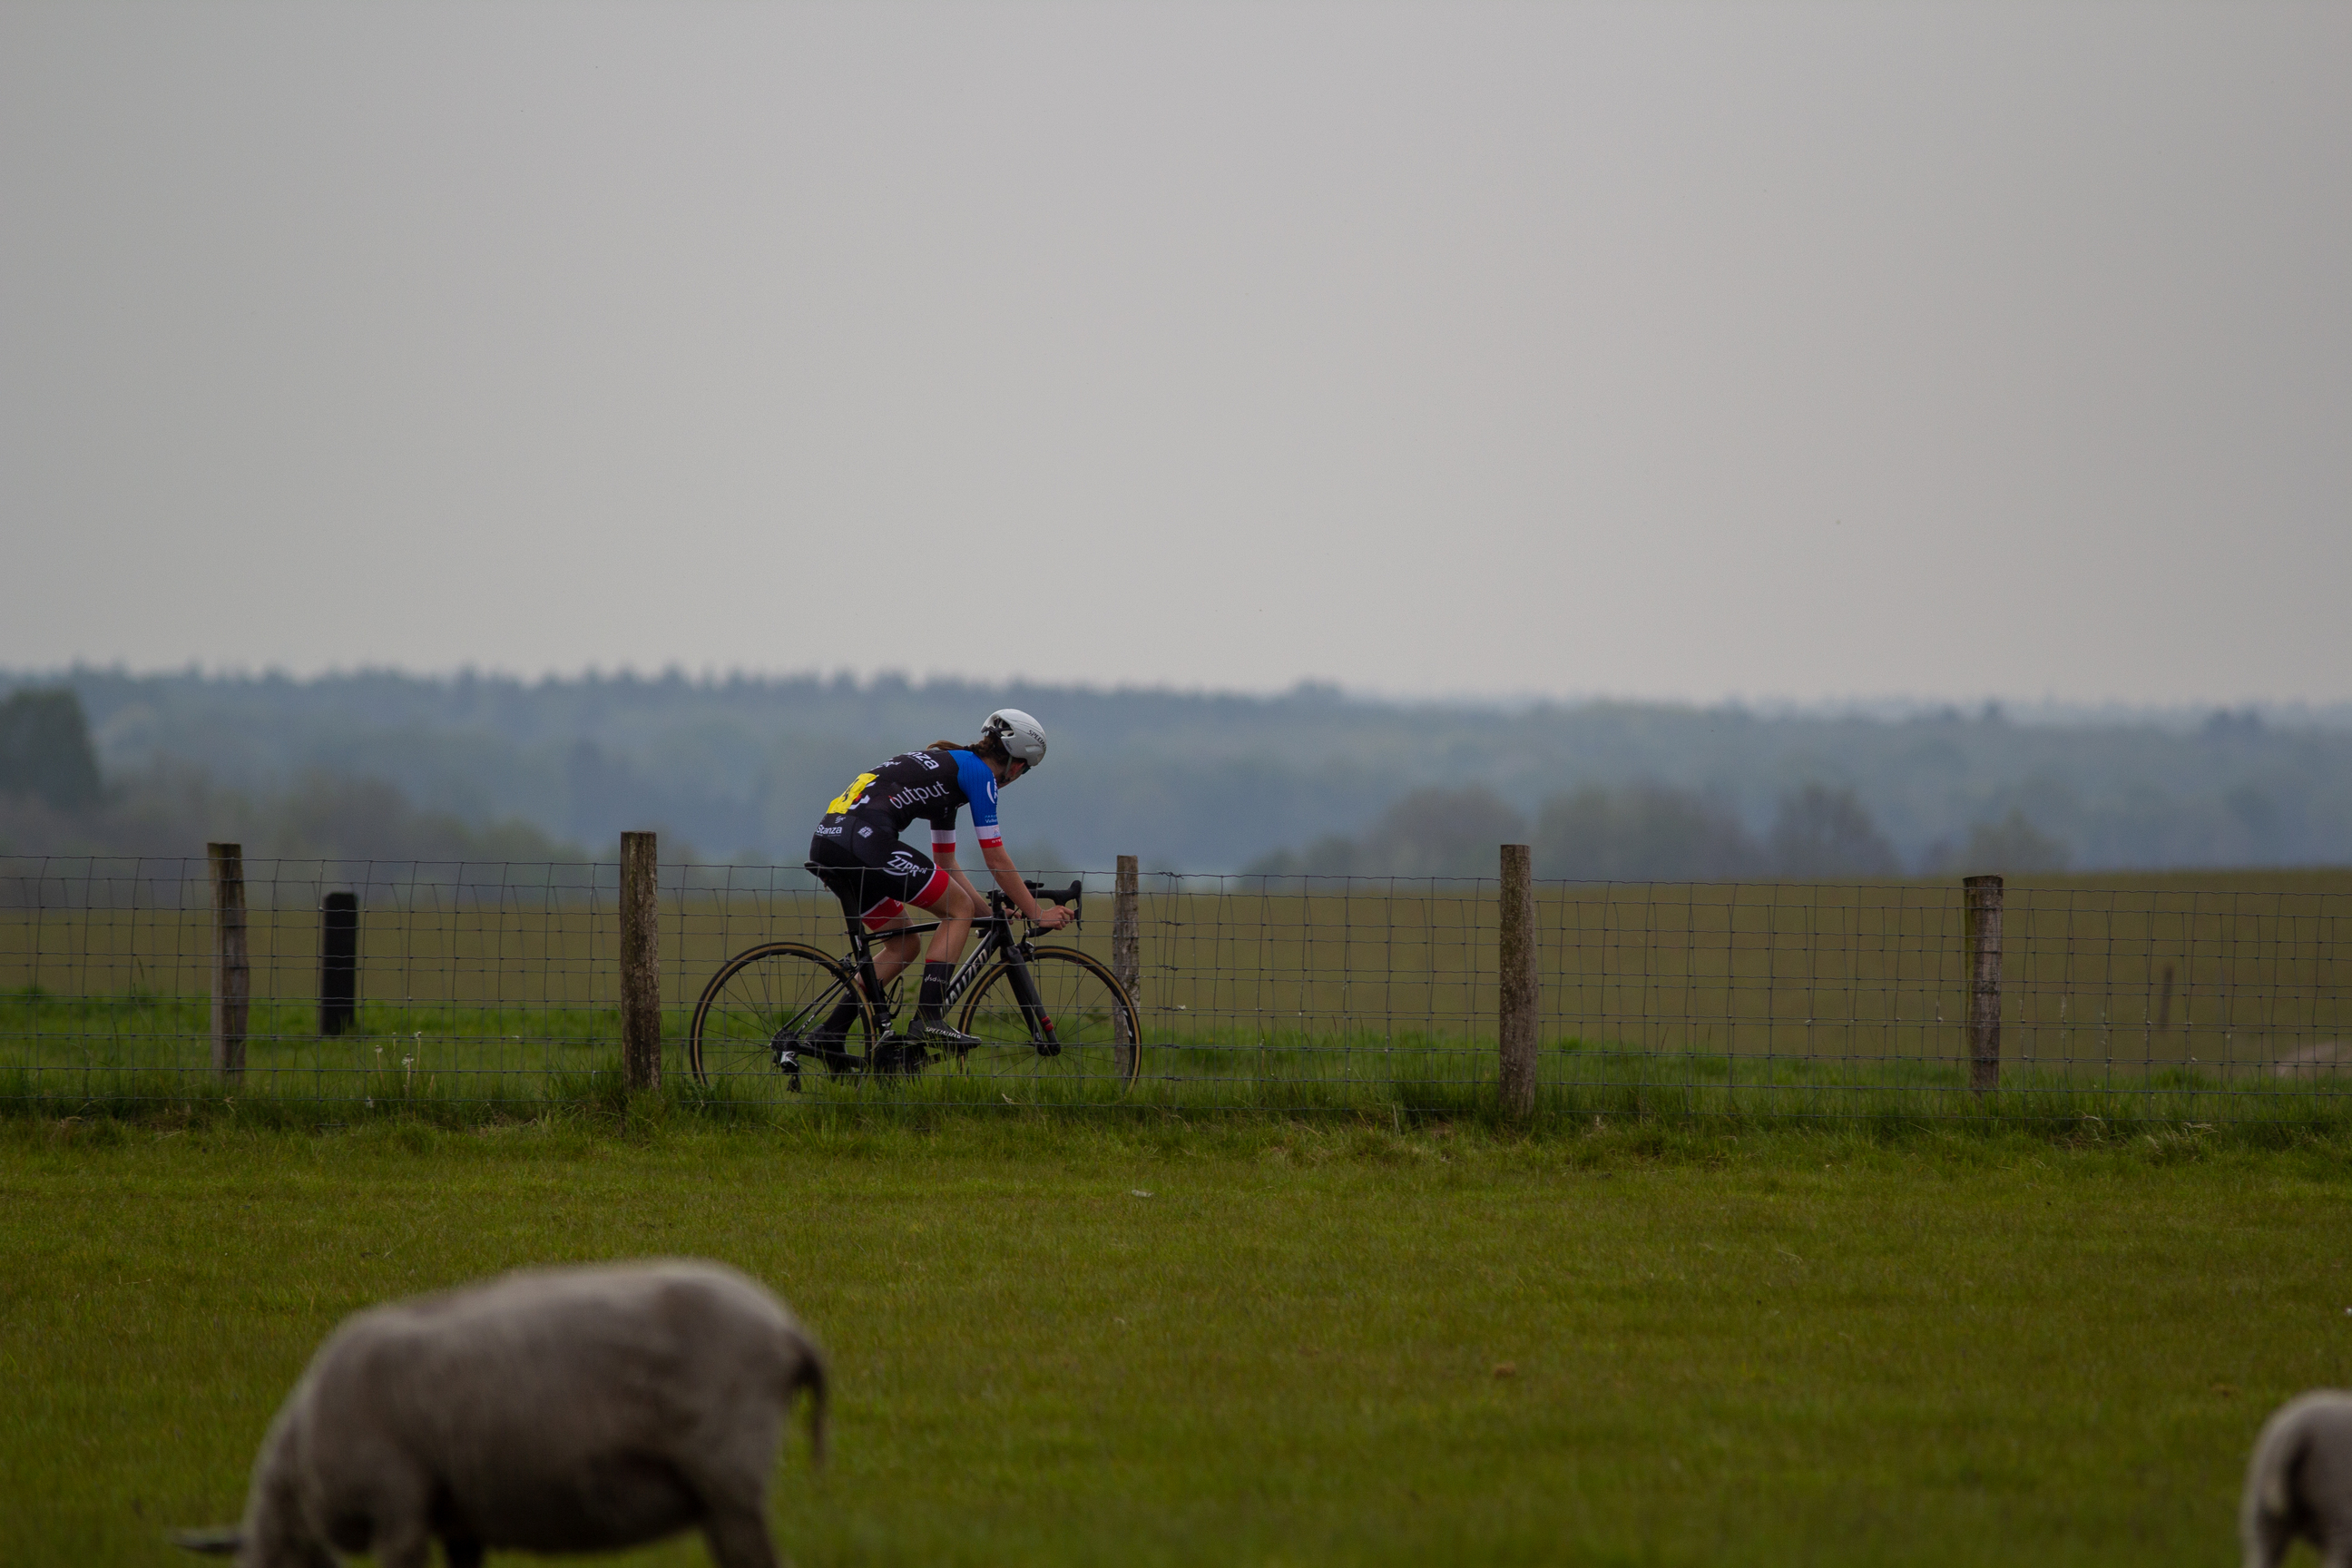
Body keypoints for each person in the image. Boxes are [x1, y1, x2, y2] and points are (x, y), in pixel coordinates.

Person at [804, 708, 1072, 1058]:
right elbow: (995, 858)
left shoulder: (951, 771)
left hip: (832, 841)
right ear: (1018, 764)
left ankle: (830, 1033)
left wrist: (986, 912)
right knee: (955, 909)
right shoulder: (979, 776)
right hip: (864, 841)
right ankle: (928, 1018)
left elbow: (946, 863)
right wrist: (1036, 912)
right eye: (1024, 770)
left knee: (905, 944)